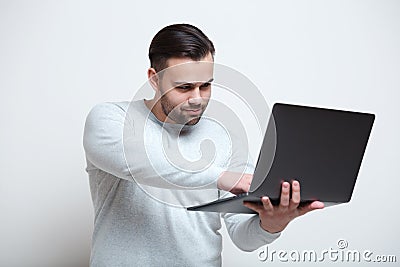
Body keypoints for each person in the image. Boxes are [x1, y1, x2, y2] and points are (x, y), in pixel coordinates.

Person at [83, 23, 324, 267]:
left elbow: (243, 236)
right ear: (154, 79)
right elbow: (146, 164)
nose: (197, 99)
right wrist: (223, 177)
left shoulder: (225, 136)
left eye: (205, 85)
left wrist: (271, 225)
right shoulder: (111, 119)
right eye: (184, 87)